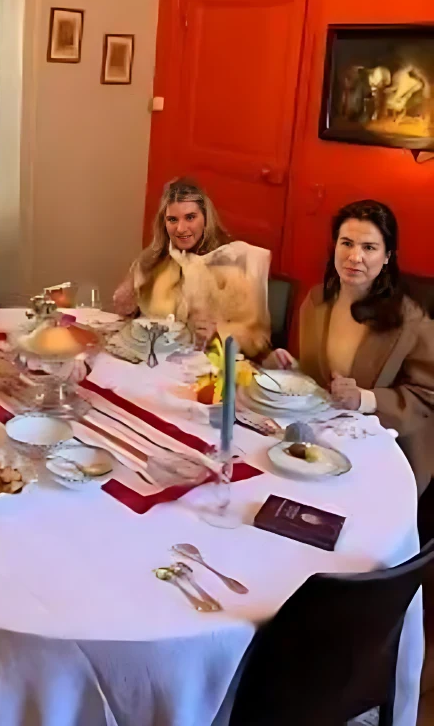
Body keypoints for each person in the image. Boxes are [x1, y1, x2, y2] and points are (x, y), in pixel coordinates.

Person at [269, 199, 434, 495]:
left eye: (369, 248)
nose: (354, 257)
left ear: (387, 257)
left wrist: (364, 399)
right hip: (320, 440)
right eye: (346, 243)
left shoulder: (410, 321)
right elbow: (319, 378)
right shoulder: (317, 301)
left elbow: (427, 396)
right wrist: (288, 367)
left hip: (384, 453)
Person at [112, 177, 271, 358]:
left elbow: (256, 339)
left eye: (190, 217)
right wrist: (126, 303)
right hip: (153, 360)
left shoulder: (230, 263)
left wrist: (220, 331)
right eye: (172, 219)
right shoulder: (153, 261)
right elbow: (133, 315)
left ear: (205, 218)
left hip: (207, 366)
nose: (181, 228)